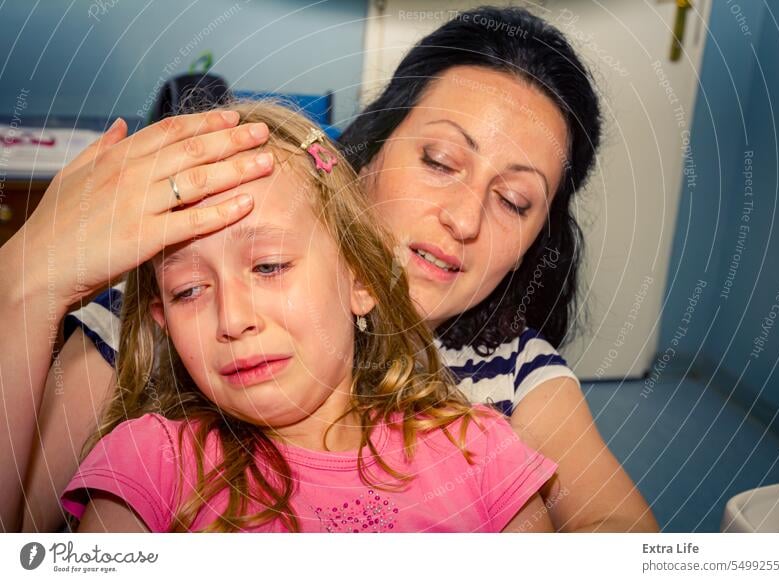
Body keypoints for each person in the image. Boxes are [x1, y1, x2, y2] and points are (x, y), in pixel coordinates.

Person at [1, 7, 658, 532]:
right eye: (439, 160)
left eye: (515, 200)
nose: (465, 218)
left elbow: (620, 529)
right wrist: (24, 287)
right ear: (371, 150)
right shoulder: (156, 325)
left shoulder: (511, 373)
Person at [61, 101, 556, 533]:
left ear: (360, 279)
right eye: (189, 291)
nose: (232, 319)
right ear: (162, 320)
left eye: (269, 266)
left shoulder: (480, 452)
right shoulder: (148, 465)